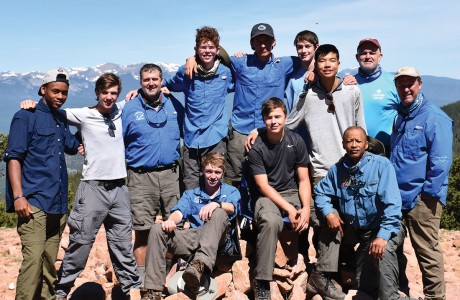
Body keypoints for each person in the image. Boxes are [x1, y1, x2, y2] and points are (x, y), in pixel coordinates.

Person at [246, 45, 365, 298]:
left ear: (339, 62)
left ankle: (327, 275)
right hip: (321, 168)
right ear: (316, 64)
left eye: (332, 60)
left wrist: (301, 205)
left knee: (337, 222)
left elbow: (360, 131)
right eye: (322, 61)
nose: (327, 65)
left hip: (347, 167)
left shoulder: (353, 90)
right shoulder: (308, 95)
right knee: (316, 218)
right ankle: (265, 281)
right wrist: (259, 129)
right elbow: (288, 121)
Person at [186, 23, 302, 186]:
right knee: (234, 177)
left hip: (268, 131)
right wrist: (191, 58)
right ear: (251, 43)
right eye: (258, 41)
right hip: (240, 131)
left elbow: (309, 59)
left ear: (274, 42)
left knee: (268, 176)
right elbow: (212, 52)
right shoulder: (240, 62)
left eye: (266, 40)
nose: (262, 45)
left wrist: (312, 71)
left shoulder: (284, 64)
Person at [3, 68, 80, 300]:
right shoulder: (25, 116)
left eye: (64, 93)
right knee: (33, 261)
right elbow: (14, 158)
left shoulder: (60, 119)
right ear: (43, 89)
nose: (60, 96)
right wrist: (18, 196)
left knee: (49, 263)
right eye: (55, 91)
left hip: (57, 204)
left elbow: (72, 145)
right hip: (33, 202)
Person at [314, 126, 413, 299]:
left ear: (366, 144)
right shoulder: (337, 170)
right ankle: (325, 275)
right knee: (365, 287)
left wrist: (382, 237)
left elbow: (393, 206)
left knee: (384, 250)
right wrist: (329, 212)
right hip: (362, 233)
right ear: (344, 144)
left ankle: (392, 296)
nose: (354, 145)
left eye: (358, 141)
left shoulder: (382, 166)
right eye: (349, 141)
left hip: (386, 228)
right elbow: (320, 192)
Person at [140, 153, 240, 300]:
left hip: (219, 239)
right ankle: (152, 291)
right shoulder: (191, 194)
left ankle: (199, 264)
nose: (213, 176)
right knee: (157, 230)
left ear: (223, 173)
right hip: (195, 237)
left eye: (217, 172)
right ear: (202, 172)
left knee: (218, 212)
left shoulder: (230, 191)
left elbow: (232, 207)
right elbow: (179, 212)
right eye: (209, 171)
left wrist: (216, 204)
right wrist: (171, 221)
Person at [391, 67, 453, 300]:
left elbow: (441, 162)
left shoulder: (434, 118)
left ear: (419, 84)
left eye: (410, 83)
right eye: (401, 84)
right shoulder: (402, 115)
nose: (406, 88)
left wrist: (427, 194)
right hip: (398, 195)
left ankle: (435, 297)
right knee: (393, 246)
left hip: (422, 198)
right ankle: (399, 291)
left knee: (426, 250)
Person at [122, 64, 184, 287]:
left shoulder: (173, 104)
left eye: (155, 79)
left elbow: (188, 128)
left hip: (170, 175)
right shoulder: (129, 108)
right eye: (146, 79)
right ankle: (141, 282)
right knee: (143, 231)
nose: (151, 83)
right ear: (140, 83)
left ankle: (166, 278)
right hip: (140, 177)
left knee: (172, 229)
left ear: (161, 81)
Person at [247, 98, 311, 299]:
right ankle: (262, 280)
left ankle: (319, 271)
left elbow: (303, 180)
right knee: (271, 221)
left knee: (318, 216)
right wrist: (290, 209)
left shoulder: (296, 141)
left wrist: (306, 208)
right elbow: (263, 186)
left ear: (285, 117)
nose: (273, 121)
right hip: (267, 195)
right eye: (269, 117)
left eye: (277, 116)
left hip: (291, 192)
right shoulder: (257, 146)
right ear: (263, 120)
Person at [164, 26, 234, 190]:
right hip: (191, 139)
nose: (207, 51)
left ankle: (215, 215)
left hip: (215, 138)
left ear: (217, 50)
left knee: (214, 185)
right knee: (191, 186)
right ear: (196, 49)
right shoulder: (187, 72)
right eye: (203, 47)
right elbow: (167, 85)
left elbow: (246, 83)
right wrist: (139, 90)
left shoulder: (226, 73)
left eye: (211, 47)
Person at [354, 38, 399, 154]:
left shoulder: (394, 83)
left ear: (380, 57)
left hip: (385, 151)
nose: (368, 56)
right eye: (363, 53)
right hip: (354, 150)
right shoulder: (349, 83)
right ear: (357, 57)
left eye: (372, 53)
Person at [285, 30, 319, 113]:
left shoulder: (325, 74)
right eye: (300, 47)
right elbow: (288, 110)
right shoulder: (293, 80)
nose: (303, 51)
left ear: (316, 47)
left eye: (308, 46)